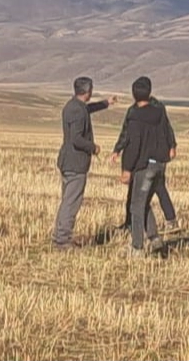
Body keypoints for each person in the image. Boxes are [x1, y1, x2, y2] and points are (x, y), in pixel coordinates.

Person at [113, 76, 177, 254]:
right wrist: (172, 146)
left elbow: (133, 145)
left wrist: (126, 169)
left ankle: (137, 247)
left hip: (144, 167)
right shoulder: (159, 111)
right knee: (145, 202)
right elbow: (168, 129)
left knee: (136, 206)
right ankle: (155, 239)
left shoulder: (135, 116)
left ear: (134, 95)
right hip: (160, 164)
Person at [52, 76, 118, 250]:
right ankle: (62, 240)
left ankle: (60, 236)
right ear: (88, 91)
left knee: (67, 200)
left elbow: (88, 109)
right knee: (71, 203)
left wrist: (106, 103)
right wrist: (93, 147)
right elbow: (76, 138)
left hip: (68, 161)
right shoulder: (77, 111)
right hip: (75, 163)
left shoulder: (73, 106)